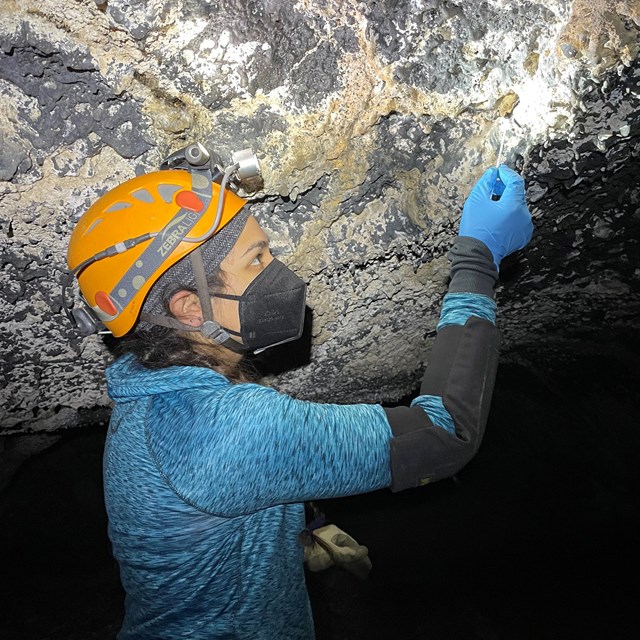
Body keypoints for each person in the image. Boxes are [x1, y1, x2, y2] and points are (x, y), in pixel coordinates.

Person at [65, 143, 533, 640]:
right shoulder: (229, 428)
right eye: (257, 259)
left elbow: (218, 486)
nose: (278, 272)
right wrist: (478, 260)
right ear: (186, 307)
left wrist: (296, 527)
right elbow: (446, 433)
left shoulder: (147, 390)